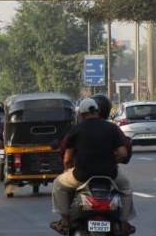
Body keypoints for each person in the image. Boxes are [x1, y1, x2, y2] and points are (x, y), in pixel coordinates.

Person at [50, 98, 135, 235]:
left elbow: (67, 158)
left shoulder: (76, 129)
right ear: (97, 111)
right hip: (110, 175)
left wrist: (67, 169)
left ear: (82, 114)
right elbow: (123, 153)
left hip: (81, 176)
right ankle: (124, 223)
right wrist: (112, 161)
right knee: (126, 188)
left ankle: (64, 222)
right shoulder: (111, 128)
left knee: (58, 185)